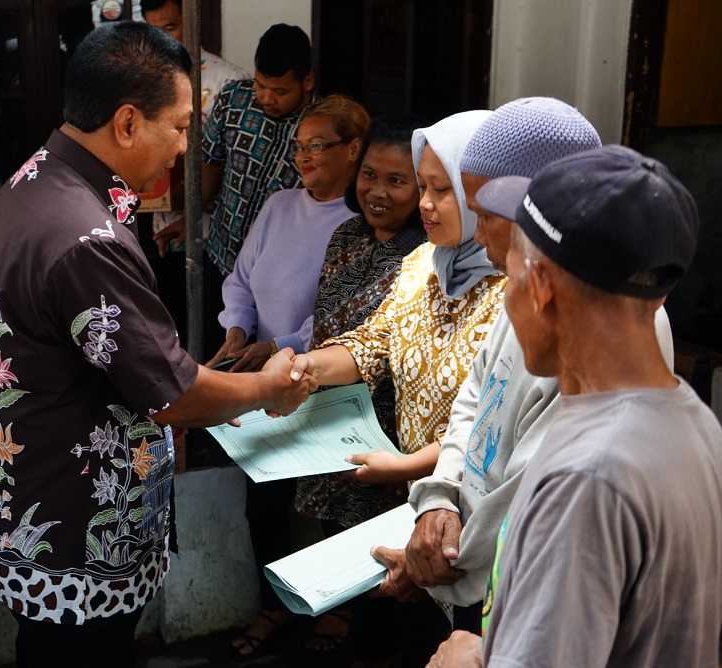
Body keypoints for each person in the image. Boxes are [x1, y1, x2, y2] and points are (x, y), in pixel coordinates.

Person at [0, 23, 315, 668]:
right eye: (178, 126)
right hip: (70, 533)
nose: (185, 146)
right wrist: (268, 388)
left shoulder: (32, 180)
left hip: (21, 500)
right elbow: (171, 392)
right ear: (125, 123)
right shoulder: (84, 235)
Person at [379, 99, 677, 634]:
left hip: (510, 591)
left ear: (541, 208)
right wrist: (439, 496)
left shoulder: (611, 326)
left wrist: (440, 562)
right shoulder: (525, 284)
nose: (477, 235)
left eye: (485, 215)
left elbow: (531, 496)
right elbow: (477, 394)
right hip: (466, 569)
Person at [428, 145, 722, 667]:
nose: (508, 299)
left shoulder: (588, 477)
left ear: (540, 288)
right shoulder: (693, 420)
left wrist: (469, 660)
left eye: (512, 278)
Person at [289, 110, 506, 666]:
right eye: (424, 187)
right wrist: (303, 369)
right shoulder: (422, 264)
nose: (426, 204)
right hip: (409, 508)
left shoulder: (513, 293)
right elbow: (374, 342)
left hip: (470, 518)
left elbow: (492, 421)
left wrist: (408, 467)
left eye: (442, 190)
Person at [201, 94, 368, 656]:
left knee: (333, 503)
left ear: (353, 149)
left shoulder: (358, 221)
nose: (304, 157)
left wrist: (284, 344)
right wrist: (239, 330)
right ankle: (272, 607)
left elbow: (344, 311)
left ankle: (340, 611)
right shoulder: (278, 206)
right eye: (299, 146)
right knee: (263, 499)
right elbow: (241, 279)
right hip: (261, 377)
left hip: (323, 379)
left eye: (318, 146)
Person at [292, 114, 426, 659]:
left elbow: (383, 347)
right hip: (328, 420)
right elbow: (328, 326)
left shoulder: (426, 256)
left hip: (390, 440)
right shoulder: (345, 236)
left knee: (387, 578)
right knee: (339, 554)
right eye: (370, 175)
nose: (377, 191)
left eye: (397, 181)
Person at [138, 0, 248, 345]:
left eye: (170, 28)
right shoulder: (141, 79)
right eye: (152, 29)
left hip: (216, 235)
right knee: (169, 328)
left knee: (213, 329)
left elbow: (240, 163)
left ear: (191, 22)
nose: (160, 39)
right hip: (160, 226)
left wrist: (197, 199)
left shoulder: (228, 82)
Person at [201, 23, 315, 351]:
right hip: (221, 258)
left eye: (279, 91)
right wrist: (189, 218)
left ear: (307, 82)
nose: (266, 97)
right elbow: (210, 162)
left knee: (263, 363)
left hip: (279, 282)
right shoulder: (234, 100)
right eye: (260, 85)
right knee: (215, 355)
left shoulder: (321, 128)